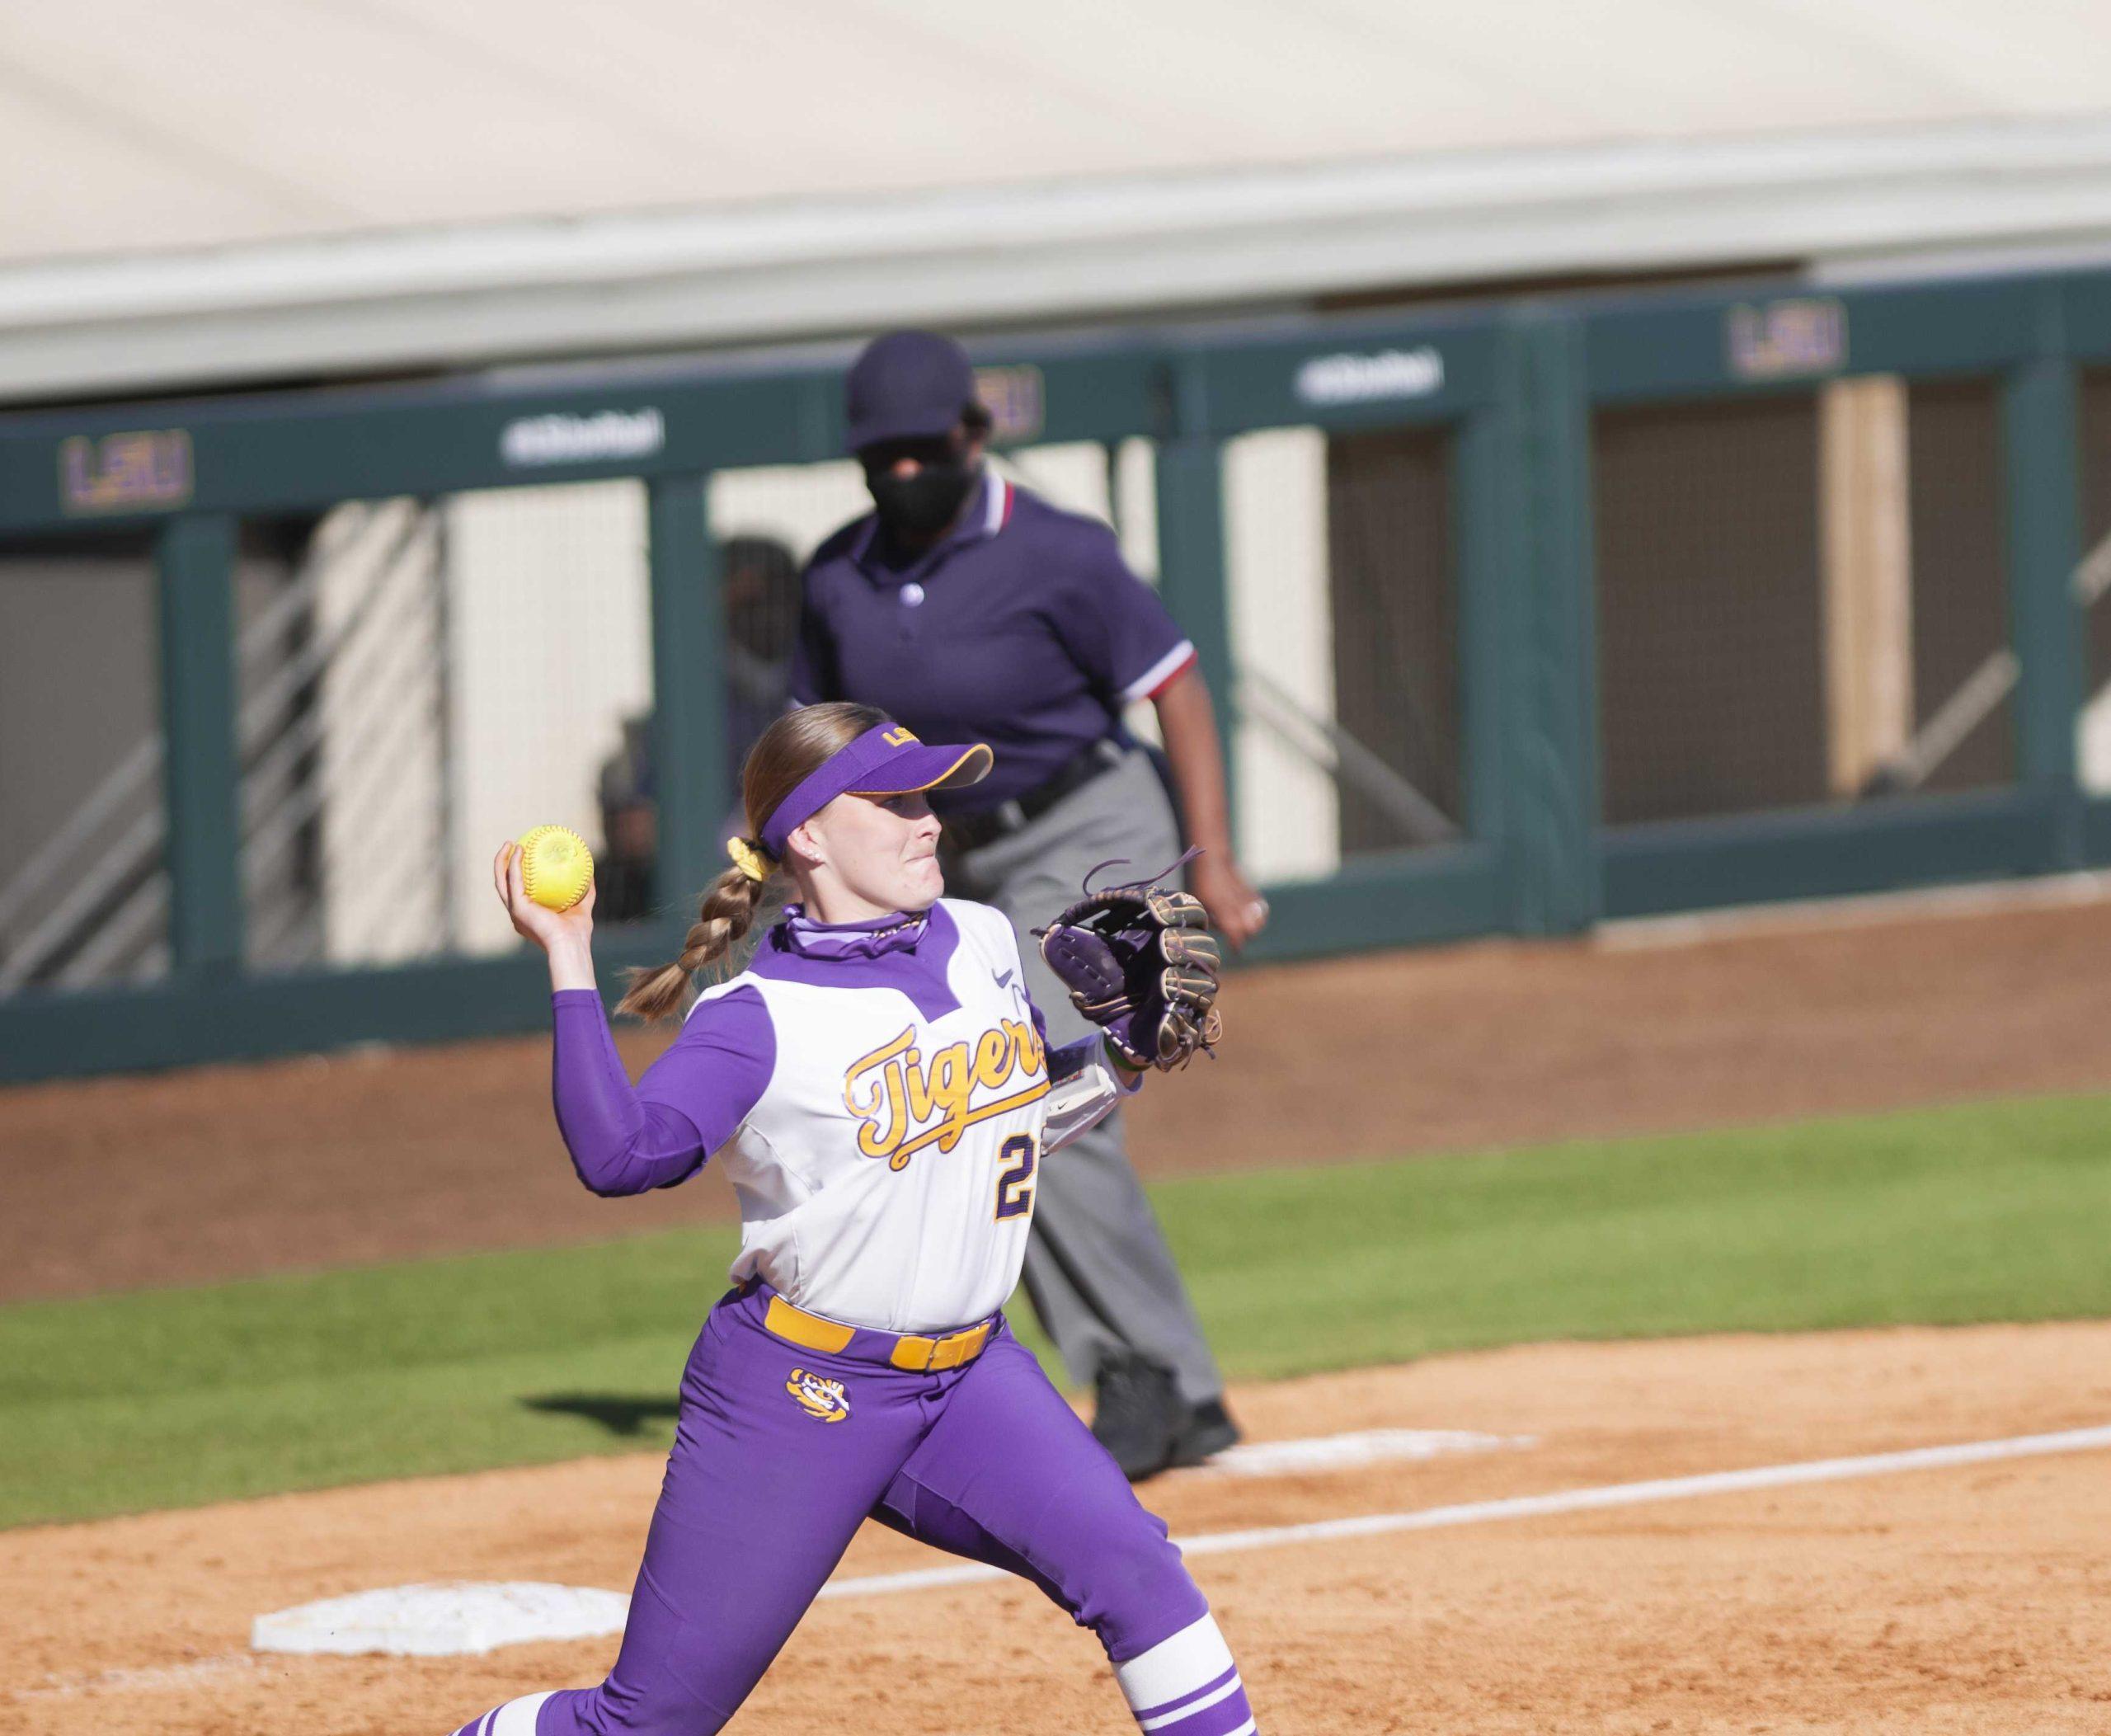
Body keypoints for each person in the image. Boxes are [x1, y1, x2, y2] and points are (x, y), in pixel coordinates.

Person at [446, 702, 1262, 1736]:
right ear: (809, 835)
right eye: (894, 800)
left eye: (927, 796)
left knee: (1138, 1572)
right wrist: (567, 952)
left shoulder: (983, 937)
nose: (928, 821)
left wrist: (1123, 1057)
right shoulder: (756, 1021)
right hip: (797, 1396)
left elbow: (996, 1126)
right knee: (649, 1723)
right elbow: (621, 1155)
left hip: (973, 1379)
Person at [789, 329, 1269, 1479]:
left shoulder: (1059, 551)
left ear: (973, 433)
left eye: (923, 448)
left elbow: (1177, 686)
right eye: (881, 454)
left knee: (1050, 1085)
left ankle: (1153, 1375)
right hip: (940, 850)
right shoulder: (834, 573)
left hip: (1087, 832)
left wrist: (1214, 859)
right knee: (972, 1110)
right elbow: (817, 740)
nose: (904, 471)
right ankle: (1154, 1379)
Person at [595, 536, 802, 922]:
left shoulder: (825, 677)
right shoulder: (694, 695)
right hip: (713, 889)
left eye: (773, 595)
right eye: (747, 602)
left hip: (806, 877)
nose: (766, 614)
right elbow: (638, 828)